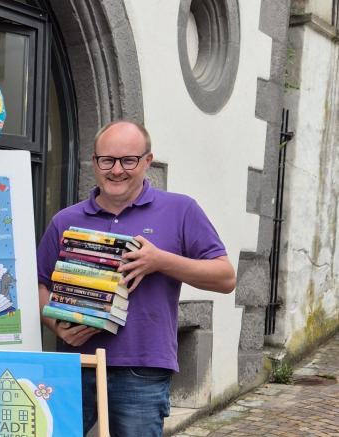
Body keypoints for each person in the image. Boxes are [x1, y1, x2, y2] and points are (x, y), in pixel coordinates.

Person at [36, 120, 236, 436]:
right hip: (74, 366)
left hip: (142, 368)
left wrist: (160, 260)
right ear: (94, 162)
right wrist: (54, 324)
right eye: (107, 160)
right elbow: (39, 283)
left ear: (147, 161)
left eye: (128, 160)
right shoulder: (66, 220)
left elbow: (225, 277)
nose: (117, 170)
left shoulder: (180, 210)